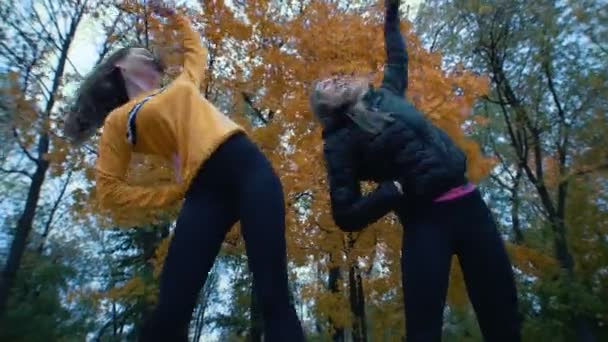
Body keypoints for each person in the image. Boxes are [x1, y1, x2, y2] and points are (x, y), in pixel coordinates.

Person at [63, 3, 304, 341]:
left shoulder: (181, 84)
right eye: (141, 52)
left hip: (248, 167)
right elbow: (109, 189)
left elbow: (197, 52)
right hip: (204, 192)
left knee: (273, 293)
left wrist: (176, 16)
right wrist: (170, 193)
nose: (149, 56)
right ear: (120, 64)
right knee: (171, 307)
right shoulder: (118, 122)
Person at [309, 0, 521, 341]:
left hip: (469, 205)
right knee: (423, 327)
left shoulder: (386, 95)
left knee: (502, 313)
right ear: (324, 106)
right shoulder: (339, 141)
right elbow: (345, 213)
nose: (334, 80)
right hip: (426, 221)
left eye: (334, 77)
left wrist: (391, 12)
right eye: (325, 87)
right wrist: (390, 191)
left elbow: (397, 57)